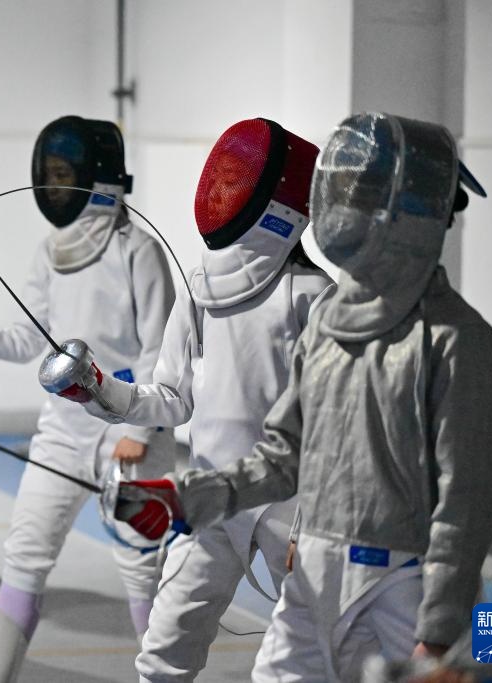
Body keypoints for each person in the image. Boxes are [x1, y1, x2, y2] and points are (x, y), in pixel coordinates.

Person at [70, 113, 492, 681]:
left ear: (416, 214)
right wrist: (189, 497)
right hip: (321, 568)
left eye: (365, 197)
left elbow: (468, 502)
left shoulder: (460, 340)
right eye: (344, 194)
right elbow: (284, 454)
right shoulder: (332, 324)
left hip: (407, 581)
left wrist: (443, 630)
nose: (346, 210)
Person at [41, 118, 331, 680]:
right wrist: (99, 389)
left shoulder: (315, 298)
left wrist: (315, 523)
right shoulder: (199, 287)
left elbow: (328, 428)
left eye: (238, 180)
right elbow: (173, 398)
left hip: (288, 507)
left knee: (312, 657)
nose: (224, 190)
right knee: (161, 655)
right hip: (210, 496)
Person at [0, 116, 176, 681]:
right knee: (24, 556)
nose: (53, 185)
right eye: (49, 173)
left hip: (130, 436)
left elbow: (162, 350)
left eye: (64, 174)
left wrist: (137, 431)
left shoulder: (138, 249)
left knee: (141, 570)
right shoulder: (50, 252)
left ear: (97, 177)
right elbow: (29, 341)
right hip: (63, 433)